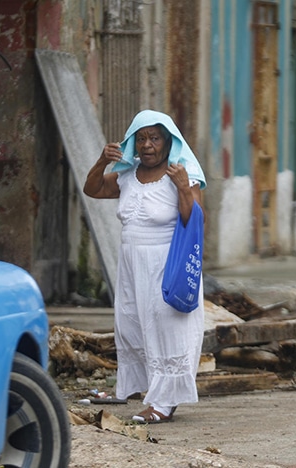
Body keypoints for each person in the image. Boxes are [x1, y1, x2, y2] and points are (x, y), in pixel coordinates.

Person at [83, 109, 206, 424]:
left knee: (168, 329)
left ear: (168, 142)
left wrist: (181, 188)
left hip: (167, 264)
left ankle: (164, 403)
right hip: (131, 266)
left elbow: (193, 220)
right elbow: (92, 189)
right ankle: (154, 392)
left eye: (154, 138)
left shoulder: (182, 173)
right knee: (136, 326)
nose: (147, 145)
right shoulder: (127, 176)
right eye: (141, 139)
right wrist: (102, 161)